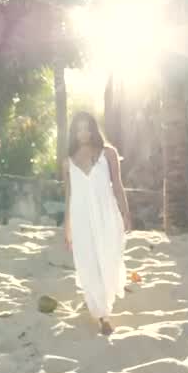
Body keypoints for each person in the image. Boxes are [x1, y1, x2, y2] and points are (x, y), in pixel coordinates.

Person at [64, 111, 132, 336]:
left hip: (106, 215)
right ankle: (103, 316)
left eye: (87, 128)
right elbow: (69, 196)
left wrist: (126, 212)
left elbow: (118, 187)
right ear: (74, 133)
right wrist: (68, 227)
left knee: (108, 258)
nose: (84, 133)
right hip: (81, 218)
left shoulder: (108, 154)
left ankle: (103, 304)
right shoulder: (68, 162)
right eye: (79, 129)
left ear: (94, 129)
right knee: (88, 263)